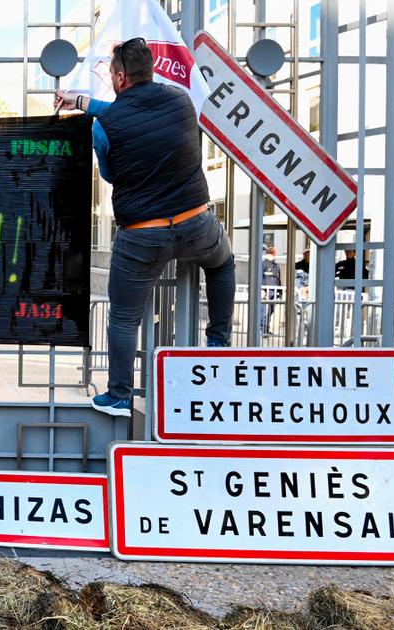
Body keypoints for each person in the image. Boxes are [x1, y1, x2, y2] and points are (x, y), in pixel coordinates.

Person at [56, 37, 235, 418]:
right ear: (150, 69)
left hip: (142, 233)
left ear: (120, 76)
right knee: (223, 264)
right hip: (195, 222)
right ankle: (218, 342)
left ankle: (120, 394)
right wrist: (84, 103)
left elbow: (109, 172)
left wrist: (85, 108)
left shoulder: (104, 127)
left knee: (123, 316)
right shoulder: (181, 100)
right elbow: (127, 110)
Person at [260, 246, 283, 335]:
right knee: (264, 311)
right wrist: (262, 290)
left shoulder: (276, 266)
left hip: (274, 291)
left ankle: (266, 328)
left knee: (270, 310)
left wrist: (280, 293)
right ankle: (263, 328)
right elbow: (260, 278)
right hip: (266, 292)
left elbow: (278, 279)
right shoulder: (263, 264)